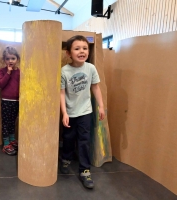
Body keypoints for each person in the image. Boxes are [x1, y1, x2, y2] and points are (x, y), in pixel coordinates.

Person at [60, 35, 105, 189]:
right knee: (68, 139)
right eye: (77, 48)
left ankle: (85, 170)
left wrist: (101, 106)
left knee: (84, 141)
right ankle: (65, 159)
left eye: (85, 48)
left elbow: (95, 87)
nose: (82, 51)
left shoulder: (91, 68)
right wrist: (64, 113)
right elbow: (61, 93)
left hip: (85, 111)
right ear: (68, 53)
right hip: (70, 112)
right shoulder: (64, 71)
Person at [0, 46, 20, 156]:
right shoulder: (2, 71)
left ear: (17, 59)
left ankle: (12, 140)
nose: (10, 61)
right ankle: (6, 144)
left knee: (13, 122)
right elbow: (1, 84)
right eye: (7, 59)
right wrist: (8, 73)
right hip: (6, 101)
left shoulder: (20, 72)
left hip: (16, 101)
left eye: (13, 58)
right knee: (6, 123)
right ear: (4, 60)